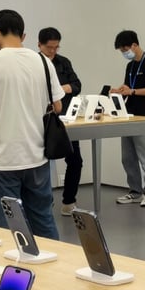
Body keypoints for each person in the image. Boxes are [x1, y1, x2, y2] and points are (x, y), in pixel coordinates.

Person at [0, 10, 64, 239]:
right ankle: (55, 269)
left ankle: (16, 270)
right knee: (43, 218)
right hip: (37, 156)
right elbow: (58, 105)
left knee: (9, 223)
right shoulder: (43, 61)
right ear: (24, 35)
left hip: (4, 160)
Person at [111, 30, 145, 208]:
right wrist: (121, 90)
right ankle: (135, 191)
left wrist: (132, 91)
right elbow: (129, 87)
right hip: (128, 116)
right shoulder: (131, 65)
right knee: (128, 157)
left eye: (125, 49)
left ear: (134, 45)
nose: (125, 53)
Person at [38, 27, 83, 216]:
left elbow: (77, 85)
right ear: (39, 45)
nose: (53, 51)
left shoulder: (64, 63)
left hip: (65, 120)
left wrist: (64, 88)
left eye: (56, 47)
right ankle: (43, 203)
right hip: (42, 121)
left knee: (76, 160)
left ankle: (69, 201)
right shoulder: (34, 63)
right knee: (42, 164)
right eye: (49, 48)